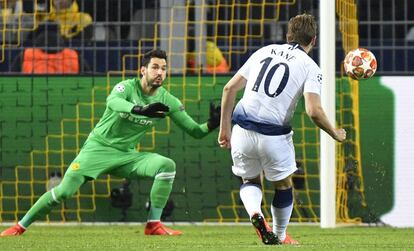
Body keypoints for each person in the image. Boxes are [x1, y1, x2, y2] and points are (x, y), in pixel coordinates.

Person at [1, 49, 221, 237]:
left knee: (167, 165)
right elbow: (113, 102)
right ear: (143, 70)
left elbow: (195, 132)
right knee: (65, 192)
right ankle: (20, 226)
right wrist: (139, 109)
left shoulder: (167, 100)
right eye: (155, 67)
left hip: (127, 156)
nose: (160, 72)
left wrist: (212, 123)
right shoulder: (126, 87)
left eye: (163, 68)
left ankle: (154, 224)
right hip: (97, 149)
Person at [218, 14, 346, 245]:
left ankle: (255, 214)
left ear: (287, 36)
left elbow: (229, 89)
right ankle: (279, 235)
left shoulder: (263, 52)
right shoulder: (311, 67)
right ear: (314, 40)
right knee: (284, 185)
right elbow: (314, 111)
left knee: (250, 181)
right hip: (274, 136)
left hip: (242, 131)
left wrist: (224, 129)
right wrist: (334, 132)